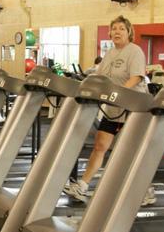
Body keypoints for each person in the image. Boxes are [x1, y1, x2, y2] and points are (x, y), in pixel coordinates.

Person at [63, 16, 151, 204]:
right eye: (114, 28)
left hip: (133, 108)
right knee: (100, 145)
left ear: (129, 33)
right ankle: (83, 185)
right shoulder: (110, 53)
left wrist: (120, 94)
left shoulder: (134, 51)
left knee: (131, 151)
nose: (117, 32)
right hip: (113, 107)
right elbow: (100, 76)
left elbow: (136, 77)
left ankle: (145, 190)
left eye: (121, 29)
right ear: (110, 33)